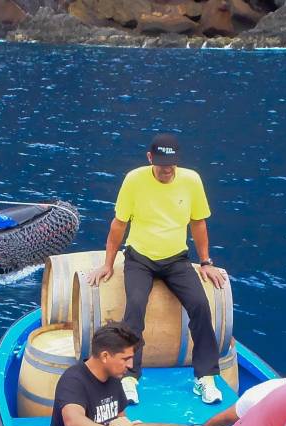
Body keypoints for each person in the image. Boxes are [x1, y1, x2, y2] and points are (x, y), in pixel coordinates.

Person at [84, 133, 228, 406]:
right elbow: (119, 223)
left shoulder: (192, 180)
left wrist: (206, 261)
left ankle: (206, 378)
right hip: (140, 258)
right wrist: (107, 263)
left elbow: (198, 222)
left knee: (200, 304)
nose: (166, 170)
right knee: (135, 307)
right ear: (150, 159)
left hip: (176, 259)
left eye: (171, 165)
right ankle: (129, 378)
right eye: (161, 164)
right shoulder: (134, 179)